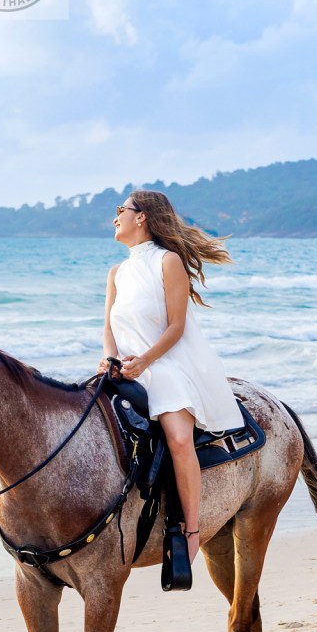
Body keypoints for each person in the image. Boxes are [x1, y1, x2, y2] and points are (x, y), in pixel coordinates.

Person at [100, 189, 243, 566]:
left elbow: (176, 327)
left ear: (141, 216)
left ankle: (191, 529)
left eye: (121, 210)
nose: (115, 217)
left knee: (179, 438)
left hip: (164, 366)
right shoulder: (116, 273)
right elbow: (108, 330)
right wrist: (111, 360)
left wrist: (144, 361)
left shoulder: (168, 262)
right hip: (125, 369)